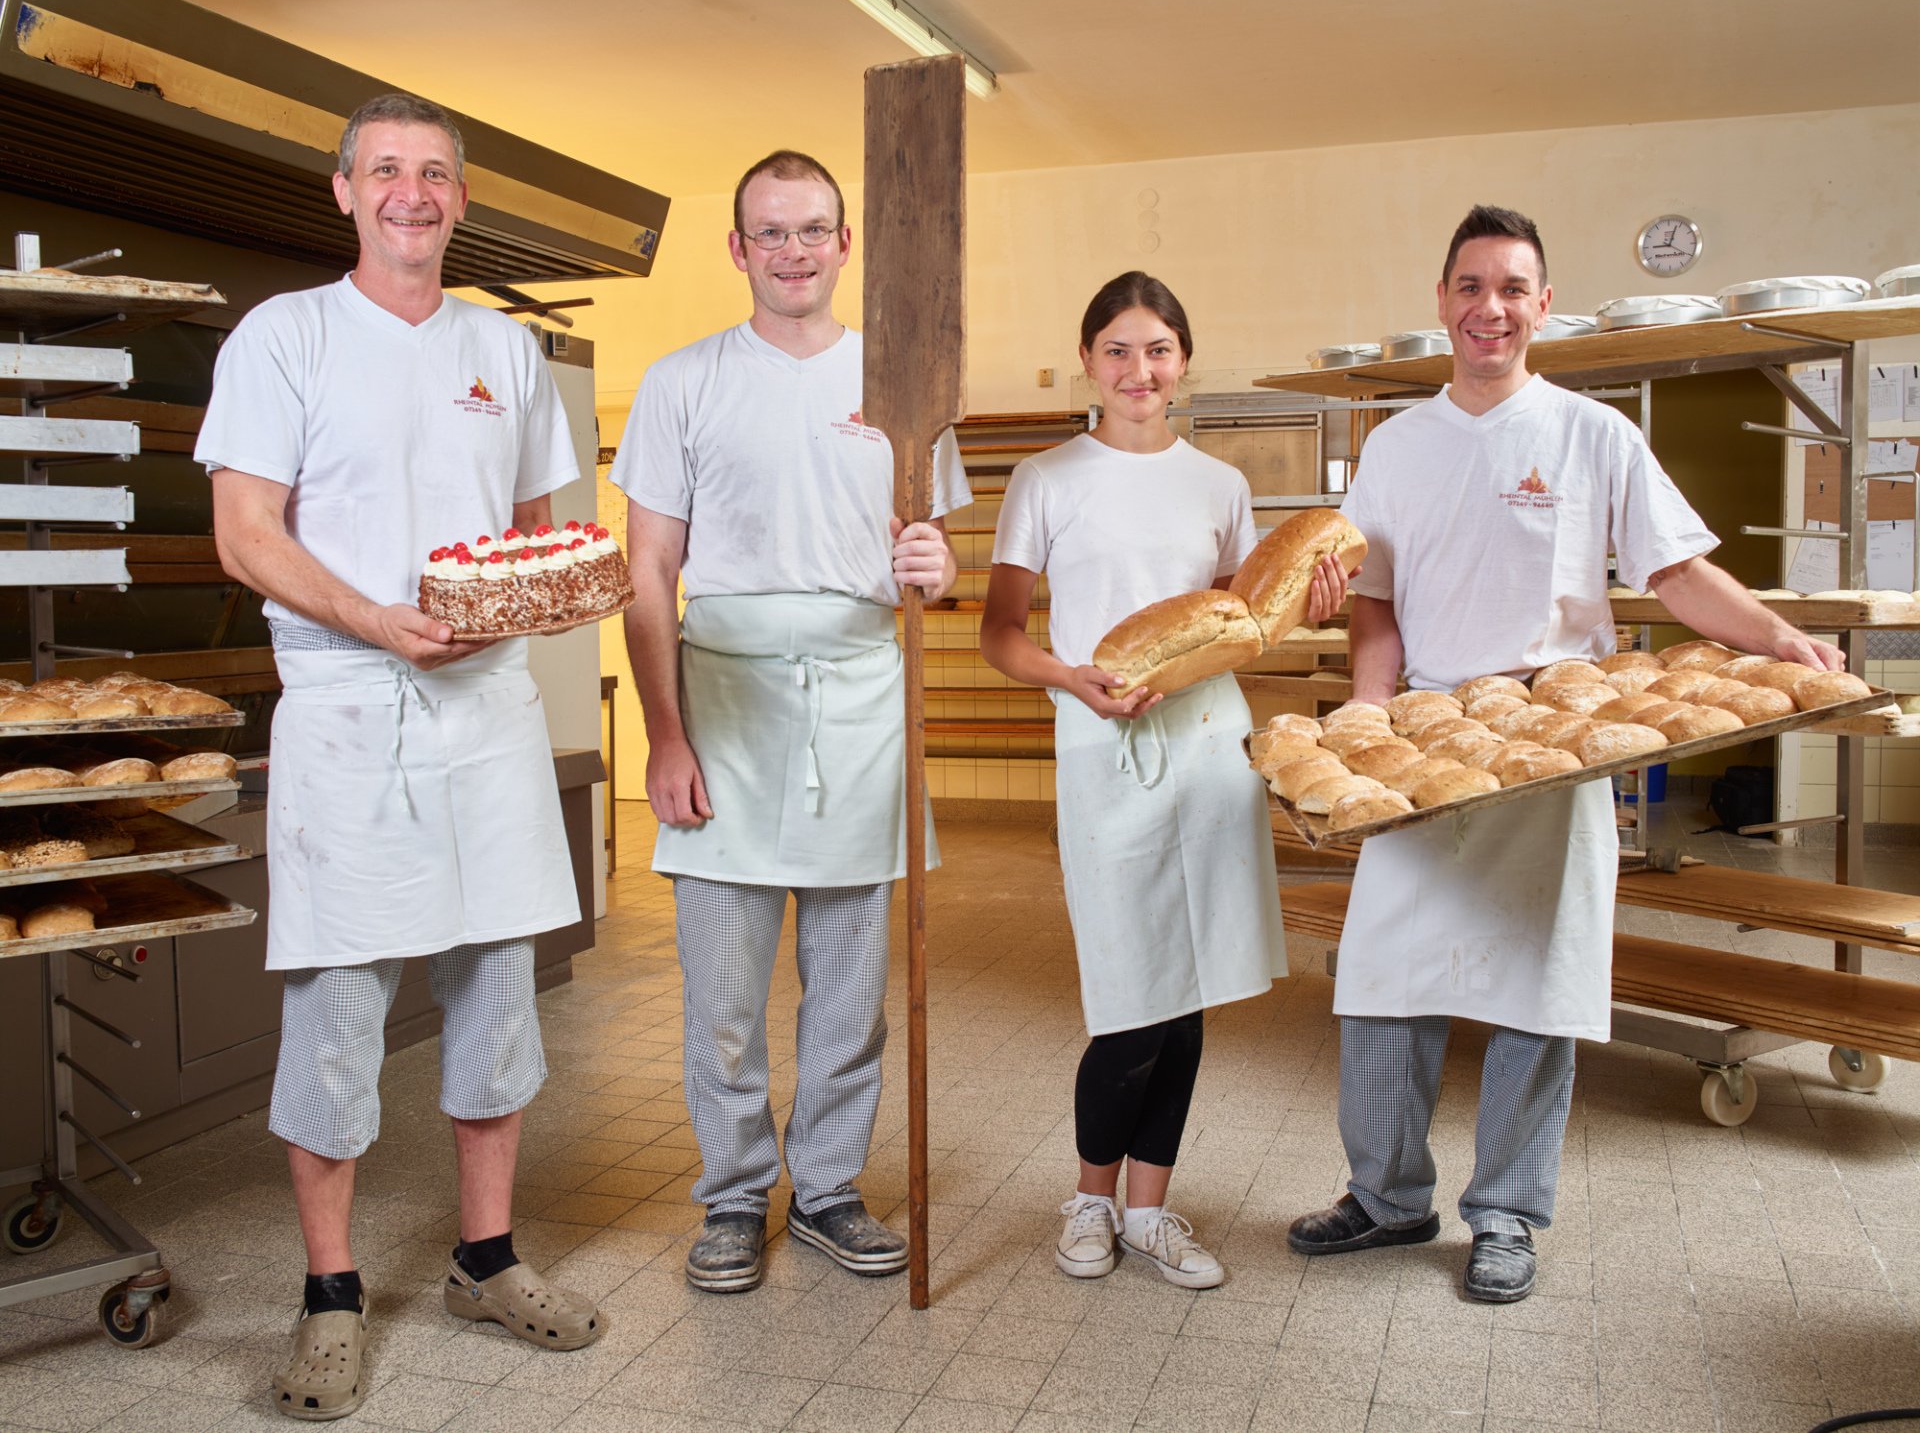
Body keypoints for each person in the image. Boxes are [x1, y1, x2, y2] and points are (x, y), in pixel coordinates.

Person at [1285, 205, 1844, 1302]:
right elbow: (1377, 607)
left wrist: (1779, 636)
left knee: (1540, 993)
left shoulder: (1594, 434)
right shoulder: (1395, 447)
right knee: (1382, 986)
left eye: (1511, 288)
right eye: (1469, 286)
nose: (1489, 308)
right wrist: (1367, 735)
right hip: (1430, 740)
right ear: (1441, 301)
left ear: (1544, 305)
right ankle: (1389, 1198)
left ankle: (1506, 1217)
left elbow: (1676, 575)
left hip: (1555, 739)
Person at [198, 93, 603, 1422]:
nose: (411, 192)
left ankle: (486, 1259)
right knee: (336, 1012)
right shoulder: (287, 336)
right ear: (343, 191)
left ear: (461, 198)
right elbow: (246, 532)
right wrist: (374, 614)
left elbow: (544, 524)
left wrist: (545, 595)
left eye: (434, 173)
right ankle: (330, 1292)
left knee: (498, 991)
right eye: (387, 170)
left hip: (483, 708)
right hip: (344, 701)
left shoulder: (506, 348)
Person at [611, 149, 968, 1294]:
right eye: (771, 232)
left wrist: (936, 563)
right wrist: (665, 737)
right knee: (722, 992)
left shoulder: (905, 380)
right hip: (725, 704)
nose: (794, 251)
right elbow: (649, 572)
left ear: (846, 243)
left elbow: (937, 566)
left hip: (862, 699)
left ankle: (824, 1190)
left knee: (851, 987)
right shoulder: (683, 380)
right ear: (737, 249)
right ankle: (729, 1198)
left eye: (814, 229)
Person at [981, 271, 1345, 1289]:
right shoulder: (1045, 478)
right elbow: (999, 635)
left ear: (1184, 362)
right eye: (1118, 350)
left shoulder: (1219, 486)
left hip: (1207, 750)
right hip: (1102, 751)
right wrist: (1075, 680)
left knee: (1188, 995)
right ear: (1090, 359)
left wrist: (1305, 609)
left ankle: (1148, 1211)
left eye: (1159, 351)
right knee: (1129, 992)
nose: (1139, 371)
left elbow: (1238, 634)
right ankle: (1088, 1202)